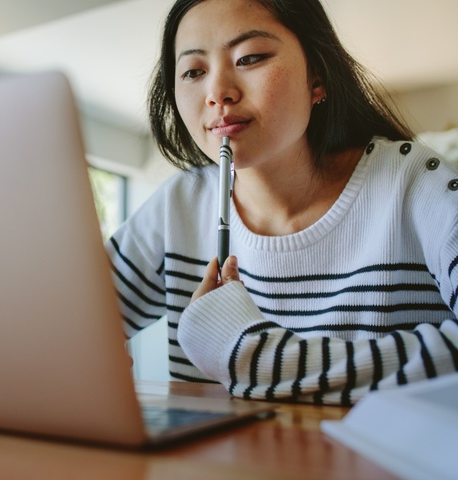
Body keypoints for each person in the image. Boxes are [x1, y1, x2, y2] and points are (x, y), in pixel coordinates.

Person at [105, 0, 458, 405]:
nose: (218, 93)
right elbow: (61, 330)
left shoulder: (415, 183)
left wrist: (256, 359)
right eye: (193, 72)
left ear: (318, 77)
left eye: (250, 57)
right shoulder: (177, 205)